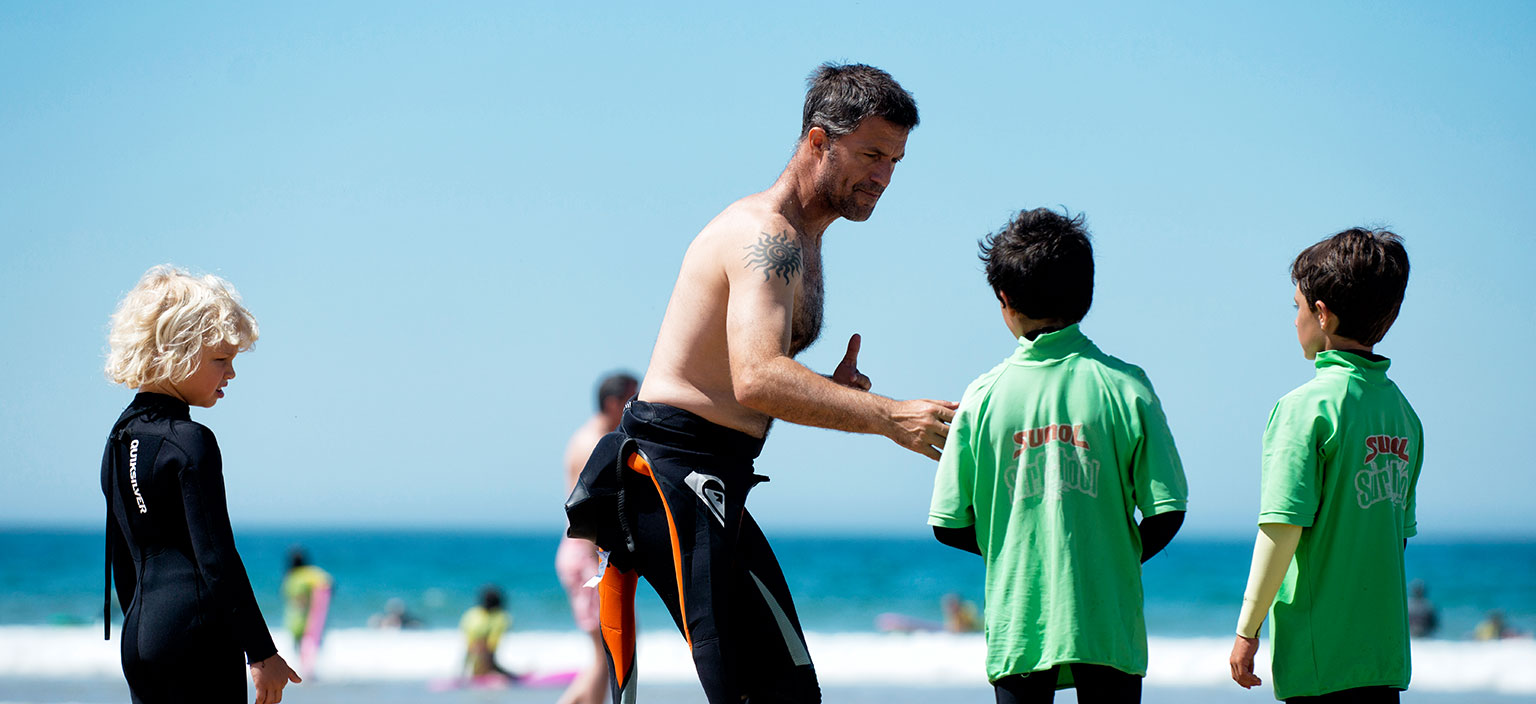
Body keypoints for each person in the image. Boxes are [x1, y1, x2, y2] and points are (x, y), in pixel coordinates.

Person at [573, 62, 955, 704]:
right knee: (762, 696)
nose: (884, 177)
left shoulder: (804, 238)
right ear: (816, 142)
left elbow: (746, 377)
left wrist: (832, 391)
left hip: (711, 475)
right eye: (870, 154)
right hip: (673, 475)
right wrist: (890, 417)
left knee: (788, 693)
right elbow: (757, 378)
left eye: (895, 160)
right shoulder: (766, 234)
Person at [928, 209, 1189, 704]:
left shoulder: (983, 397)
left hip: (1018, 619)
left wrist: (1017, 552)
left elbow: (947, 523)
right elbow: (1167, 509)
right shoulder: (1126, 386)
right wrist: (1115, 553)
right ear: (1086, 295)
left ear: (1004, 300)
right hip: (1108, 619)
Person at [1229, 228, 1422, 702]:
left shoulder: (1304, 409)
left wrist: (1247, 629)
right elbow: (1394, 536)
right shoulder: (1403, 414)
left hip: (1321, 658)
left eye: (1297, 307)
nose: (1294, 321)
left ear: (1322, 313)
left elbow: (1281, 526)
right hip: (1383, 657)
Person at [100, 265, 301, 704]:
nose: (231, 373)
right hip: (196, 639)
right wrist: (262, 652)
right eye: (221, 359)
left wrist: (146, 624)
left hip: (140, 637)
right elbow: (216, 558)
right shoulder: (190, 441)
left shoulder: (120, 437)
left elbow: (124, 558)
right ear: (178, 351)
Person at [557, 373, 637, 704]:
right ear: (612, 403)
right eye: (632, 401)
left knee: (608, 653)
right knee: (608, 653)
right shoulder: (595, 442)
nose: (637, 408)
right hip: (586, 555)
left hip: (582, 553)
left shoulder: (593, 436)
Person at [281, 548, 334, 678]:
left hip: (294, 619)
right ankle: (308, 673)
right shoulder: (310, 573)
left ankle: (302, 673)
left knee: (299, 647)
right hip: (311, 618)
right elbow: (328, 583)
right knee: (311, 647)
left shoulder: (290, 577)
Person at [460, 585, 516, 681]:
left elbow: (467, 636)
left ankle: (466, 676)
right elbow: (492, 644)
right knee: (489, 661)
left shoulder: (471, 614)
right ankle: (504, 675)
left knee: (473, 657)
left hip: (471, 654)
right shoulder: (501, 617)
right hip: (485, 656)